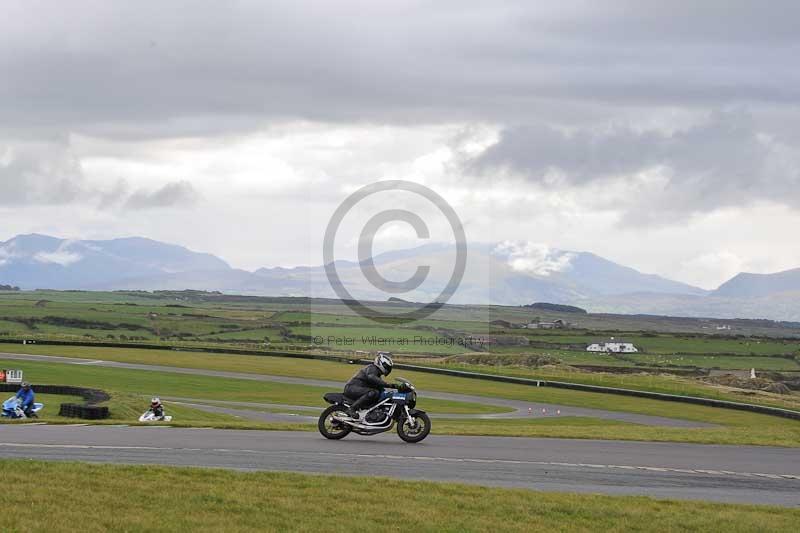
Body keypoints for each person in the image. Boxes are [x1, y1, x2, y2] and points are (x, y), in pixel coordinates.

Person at [343, 353, 397, 420]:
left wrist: (395, 389)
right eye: (386, 367)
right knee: (373, 392)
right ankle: (351, 409)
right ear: (381, 363)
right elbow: (372, 377)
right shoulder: (372, 368)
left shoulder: (377, 374)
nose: (388, 369)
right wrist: (388, 384)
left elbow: (380, 386)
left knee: (379, 393)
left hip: (358, 389)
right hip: (352, 388)